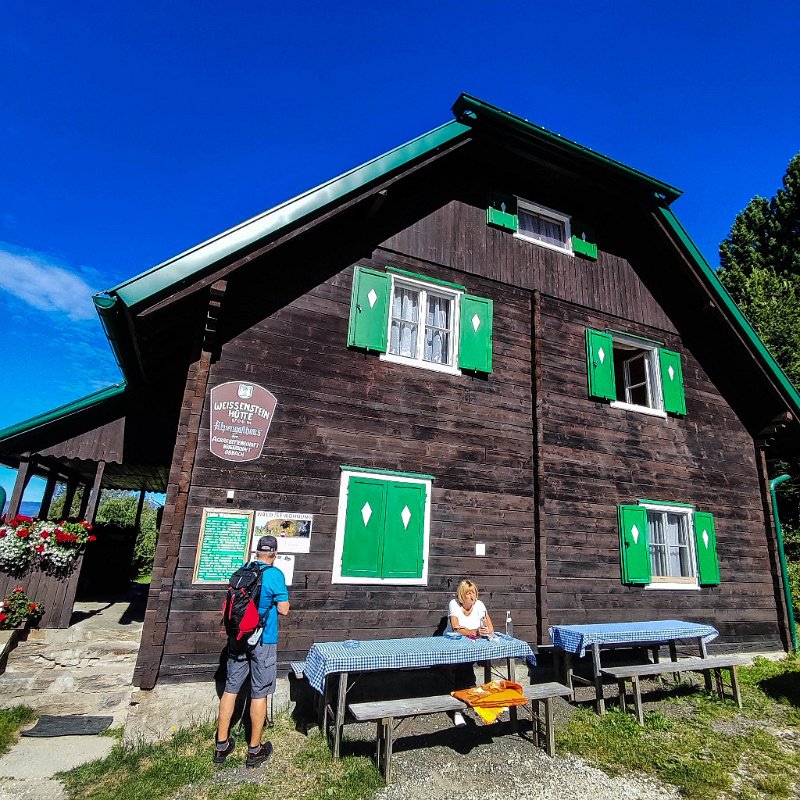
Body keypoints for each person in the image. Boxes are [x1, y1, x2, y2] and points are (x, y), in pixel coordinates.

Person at [214, 535, 290, 769]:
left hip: (237, 638)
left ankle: (221, 744)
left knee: (230, 688)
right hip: (263, 639)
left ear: (257, 552)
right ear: (274, 554)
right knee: (259, 692)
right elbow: (284, 609)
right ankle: (254, 750)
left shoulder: (243, 571)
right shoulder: (274, 575)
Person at [445, 579, 494, 726]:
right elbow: (456, 628)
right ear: (462, 595)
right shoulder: (454, 604)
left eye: (474, 592)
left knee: (485, 664)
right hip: (454, 644)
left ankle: (484, 703)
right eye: (469, 593)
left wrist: (485, 631)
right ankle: (458, 709)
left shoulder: (479, 605)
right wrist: (475, 632)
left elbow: (490, 628)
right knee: (463, 667)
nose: (472, 596)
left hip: (474, 644)